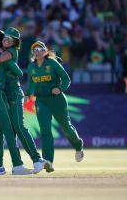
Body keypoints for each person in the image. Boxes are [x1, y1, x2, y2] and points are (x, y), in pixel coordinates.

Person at [0, 27, 45, 175]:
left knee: (17, 127)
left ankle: (36, 160)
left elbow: (9, 66)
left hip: (13, 94)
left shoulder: (11, 52)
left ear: (15, 42)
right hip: (2, 95)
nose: (6, 40)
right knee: (1, 130)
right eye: (5, 38)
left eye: (10, 39)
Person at [24, 41, 84, 173]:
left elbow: (66, 79)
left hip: (57, 100)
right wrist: (28, 94)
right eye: (35, 50)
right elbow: (31, 83)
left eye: (40, 49)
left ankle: (78, 146)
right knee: (45, 130)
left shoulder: (52, 63)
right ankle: (48, 161)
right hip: (41, 101)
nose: (38, 51)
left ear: (45, 52)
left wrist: (60, 88)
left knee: (66, 127)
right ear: (32, 53)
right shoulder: (31, 67)